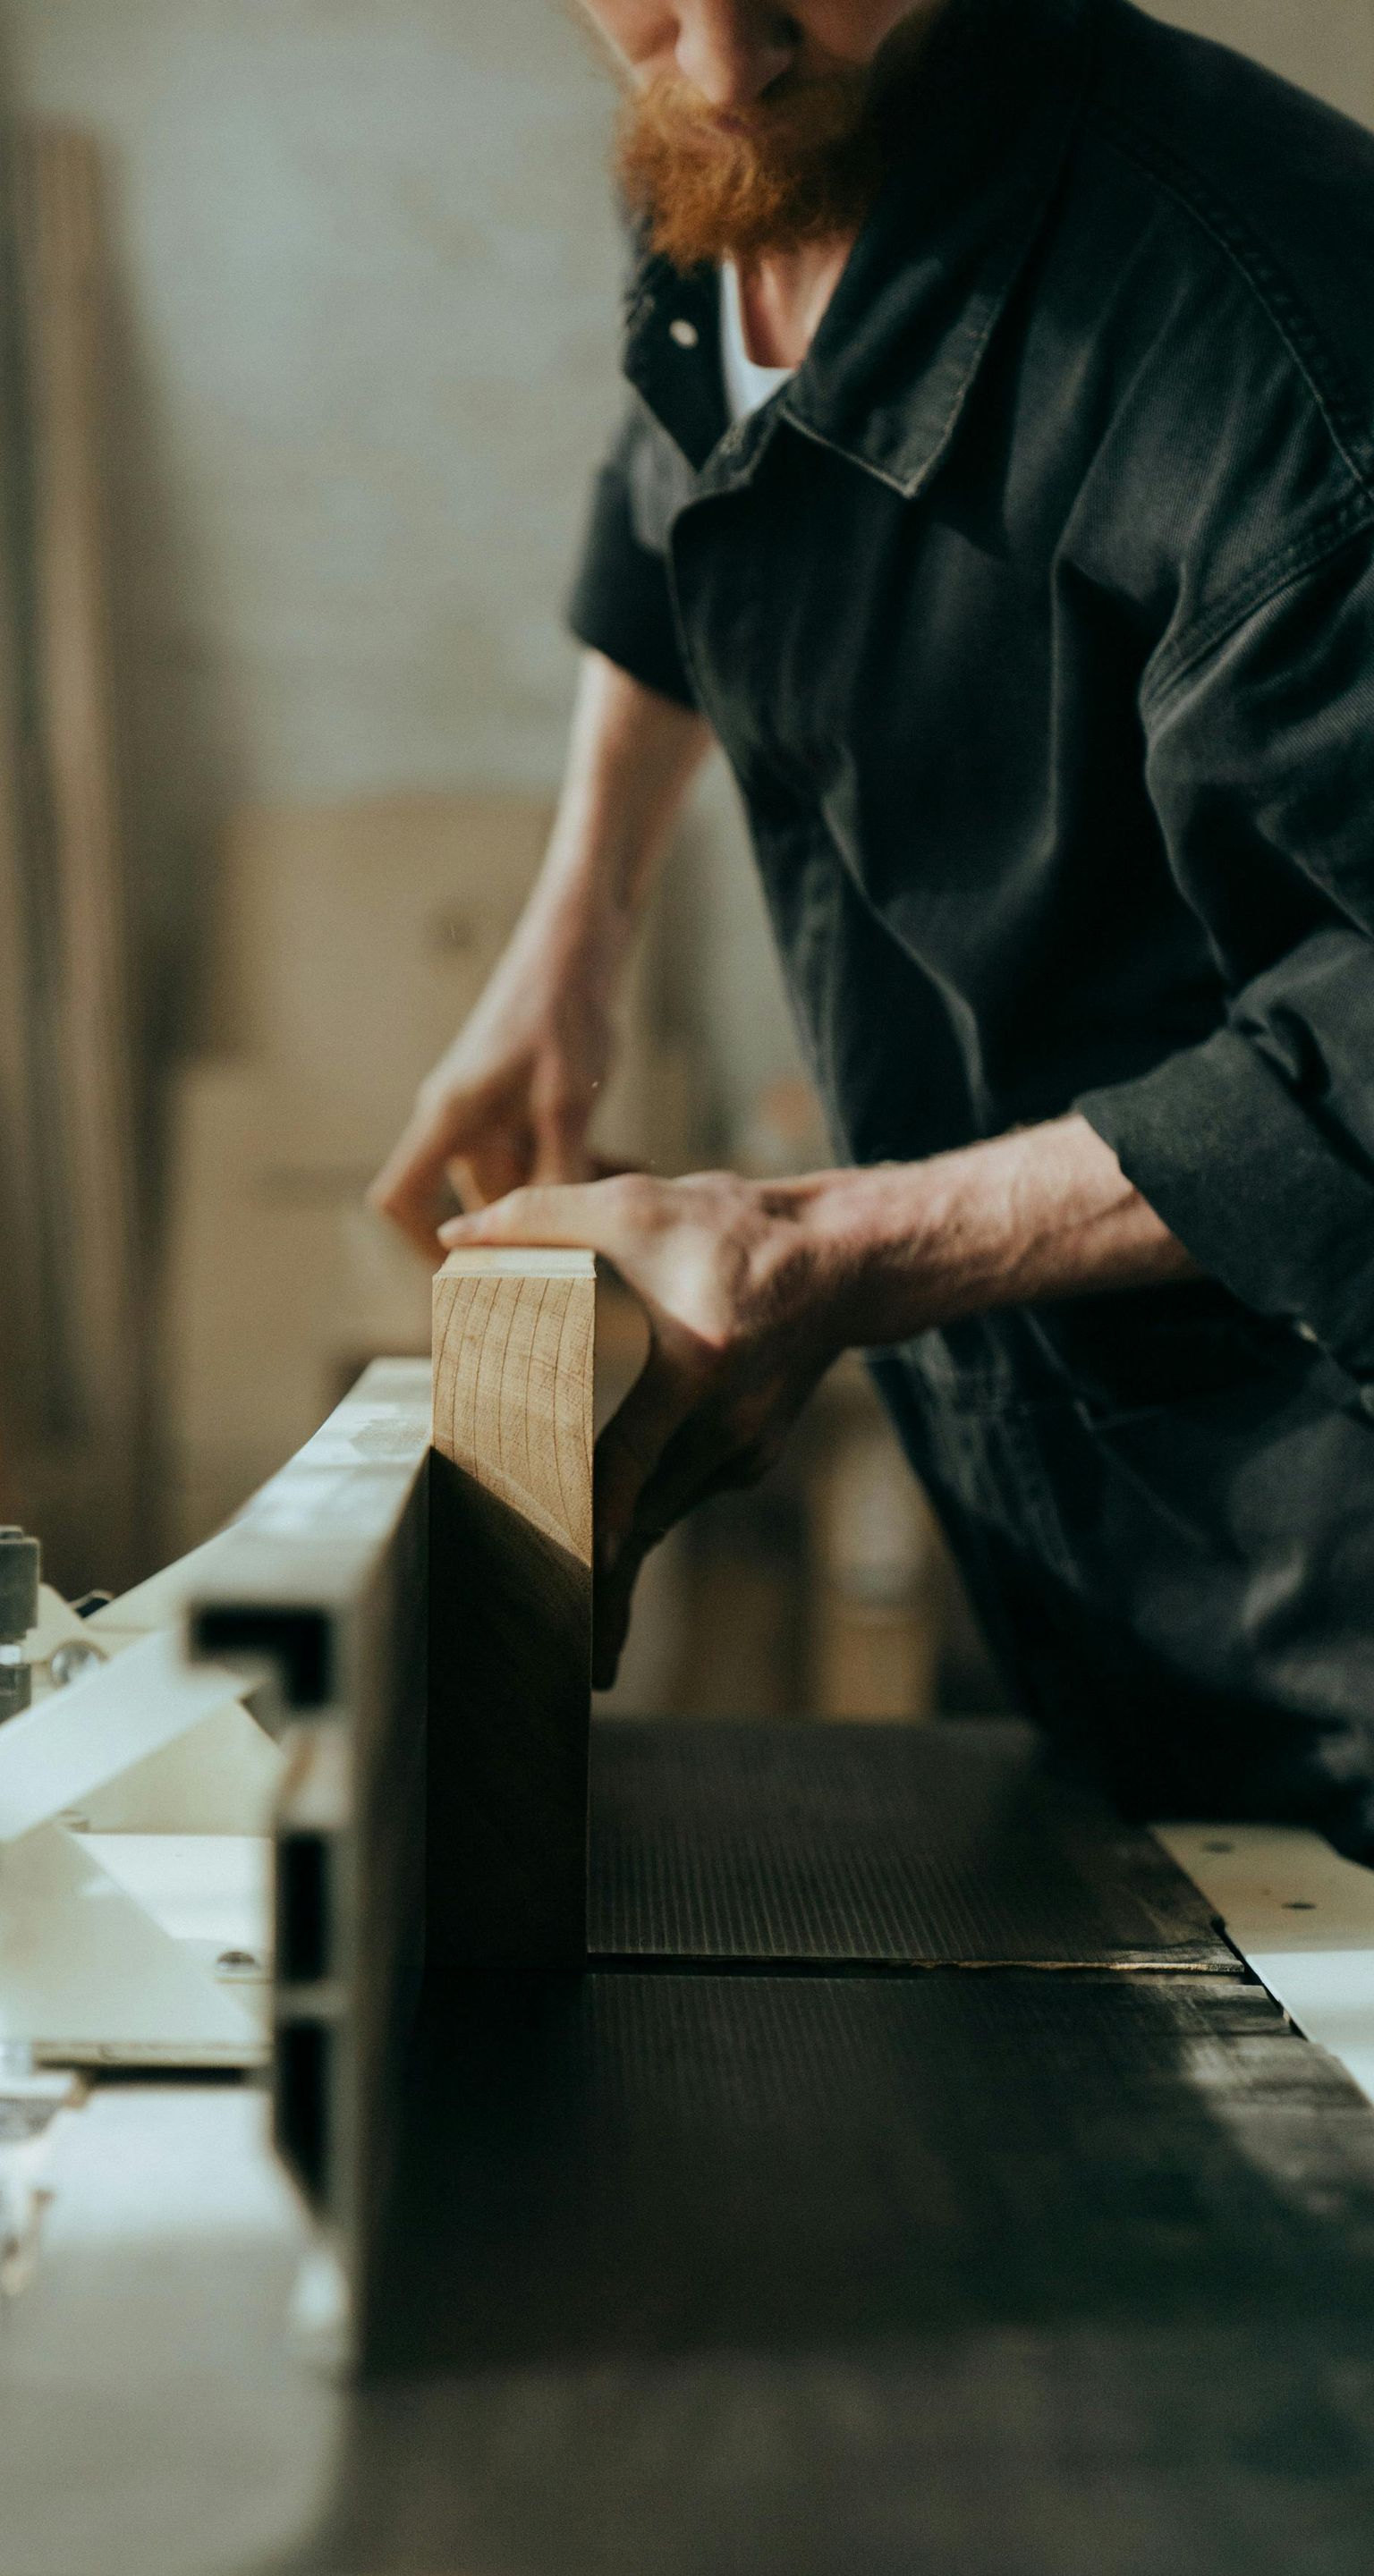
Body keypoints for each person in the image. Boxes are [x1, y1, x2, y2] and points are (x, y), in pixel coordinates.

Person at [372, 0, 1374, 1855]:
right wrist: (571, 930)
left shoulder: (1293, 362)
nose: (725, 65)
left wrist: (834, 1243)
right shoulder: (723, 126)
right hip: (1086, 1533)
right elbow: (683, 456)